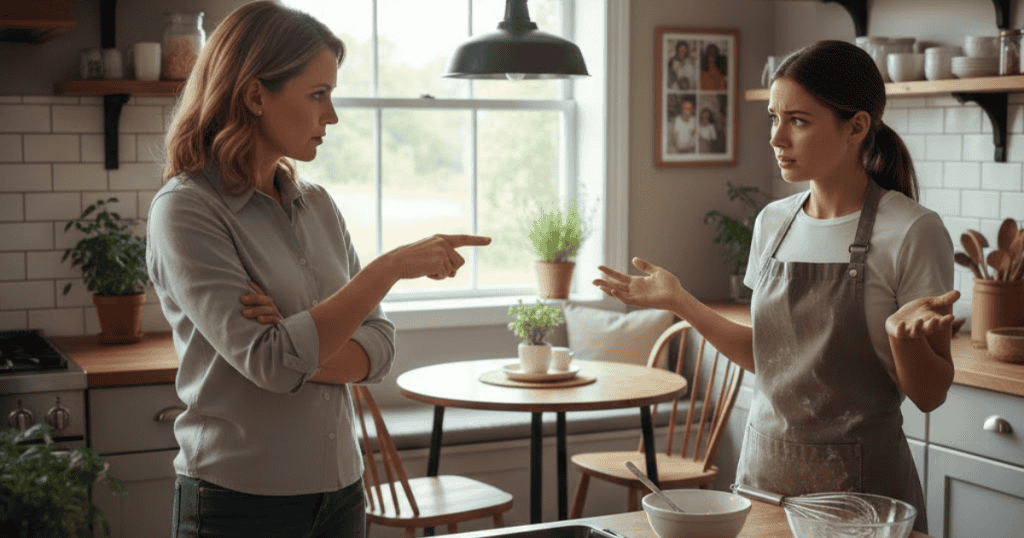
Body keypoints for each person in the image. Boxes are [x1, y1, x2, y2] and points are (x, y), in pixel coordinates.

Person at [148, 3, 490, 537]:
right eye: (317, 94)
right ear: (256, 95)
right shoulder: (186, 210)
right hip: (237, 502)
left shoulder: (319, 206)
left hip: (341, 493)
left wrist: (293, 332)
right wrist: (389, 268)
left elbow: (378, 346)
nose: (331, 115)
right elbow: (271, 363)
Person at [594, 40, 958, 534]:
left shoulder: (913, 231)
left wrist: (902, 339)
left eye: (799, 121)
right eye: (773, 117)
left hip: (859, 502)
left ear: (856, 127)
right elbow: (767, 356)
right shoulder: (773, 223)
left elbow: (931, 394)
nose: (776, 138)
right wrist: (678, 301)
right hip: (762, 481)